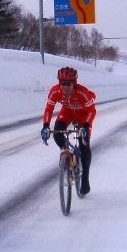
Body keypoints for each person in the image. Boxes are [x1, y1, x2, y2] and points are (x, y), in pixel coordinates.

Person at [41, 66, 97, 194]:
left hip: (84, 114)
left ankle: (85, 179)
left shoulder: (82, 92)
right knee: (57, 133)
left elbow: (92, 111)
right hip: (68, 112)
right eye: (62, 84)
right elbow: (49, 109)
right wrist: (45, 126)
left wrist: (86, 125)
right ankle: (67, 155)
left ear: (74, 83)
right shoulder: (55, 91)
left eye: (68, 84)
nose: (65, 87)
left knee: (84, 143)